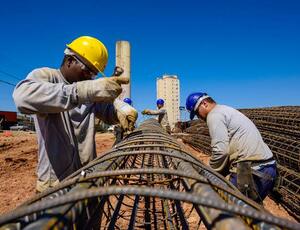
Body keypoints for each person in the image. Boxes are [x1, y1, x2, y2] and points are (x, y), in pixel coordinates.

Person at [13, 36, 138, 192]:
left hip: (86, 178)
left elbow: (106, 111)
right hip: (55, 185)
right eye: (88, 70)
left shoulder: (87, 92)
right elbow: (22, 97)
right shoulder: (47, 77)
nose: (90, 77)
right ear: (70, 60)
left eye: (94, 74)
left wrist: (120, 110)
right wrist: (83, 90)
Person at [185, 92, 276, 203]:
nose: (199, 117)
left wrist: (209, 173)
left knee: (230, 212)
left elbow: (221, 151)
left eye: (197, 113)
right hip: (268, 168)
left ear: (204, 103)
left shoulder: (214, 115)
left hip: (250, 171)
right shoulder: (226, 110)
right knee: (251, 212)